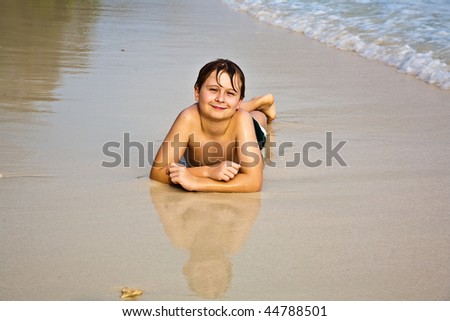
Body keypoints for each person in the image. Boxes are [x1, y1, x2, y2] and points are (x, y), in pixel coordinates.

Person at [150, 59, 276, 192]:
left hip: (249, 128)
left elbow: (254, 182)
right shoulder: (188, 118)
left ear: (239, 101)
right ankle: (252, 101)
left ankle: (259, 103)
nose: (220, 98)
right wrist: (208, 172)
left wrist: (197, 182)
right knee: (222, 107)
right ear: (197, 92)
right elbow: (156, 172)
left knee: (257, 117)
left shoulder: (242, 120)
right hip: (228, 112)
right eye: (213, 89)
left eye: (230, 93)